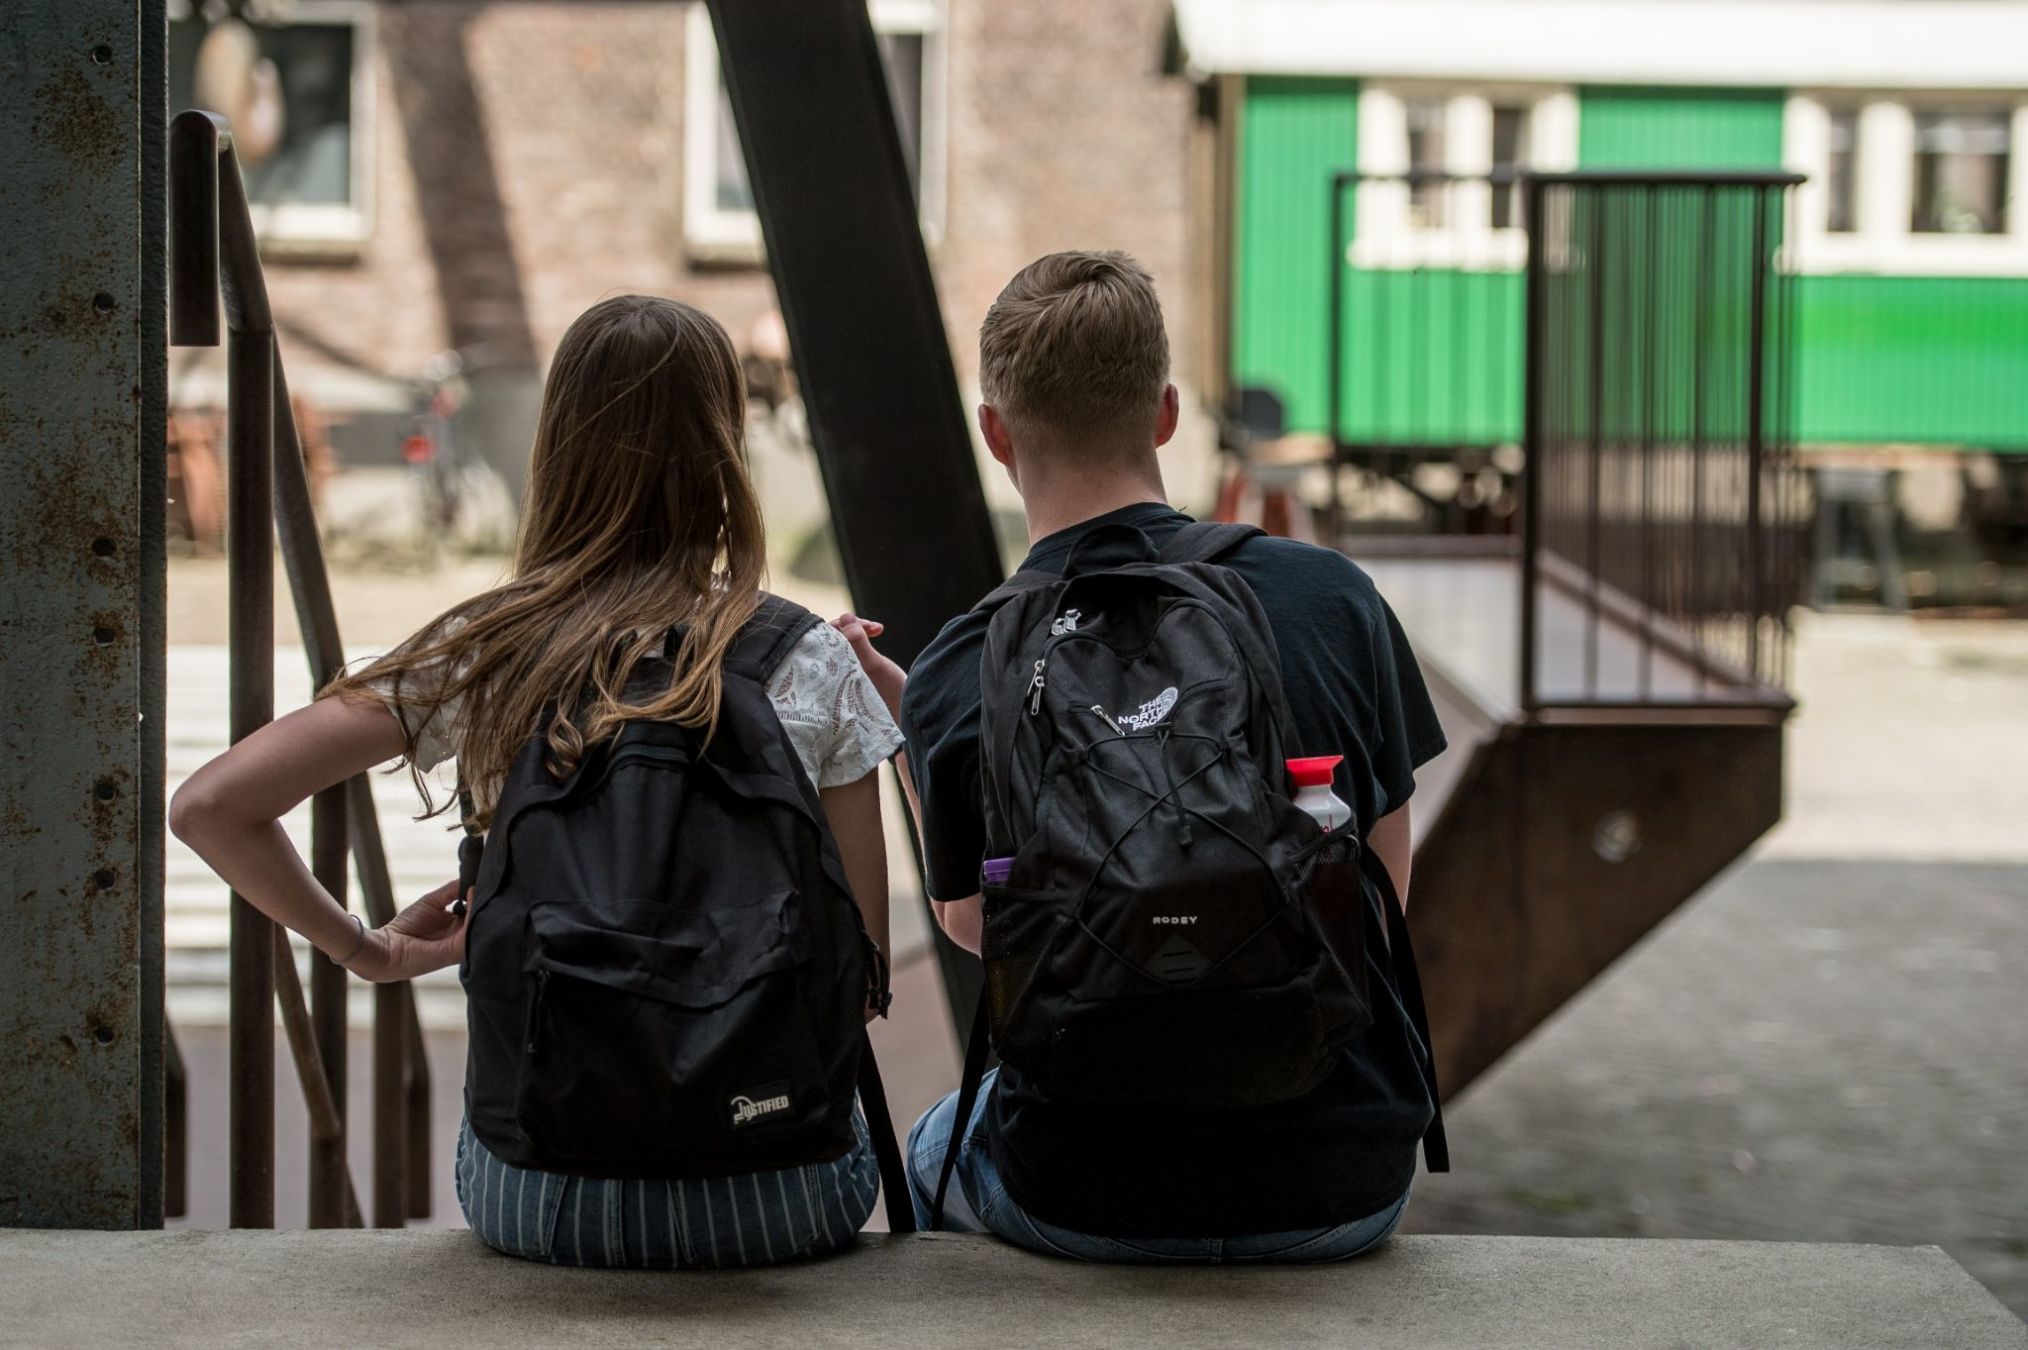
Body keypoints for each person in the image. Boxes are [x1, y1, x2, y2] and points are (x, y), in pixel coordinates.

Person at [171, 295, 905, 1267]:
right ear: (725, 447)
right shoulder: (807, 657)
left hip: (545, 1197)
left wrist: (369, 950)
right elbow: (856, 985)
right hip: (779, 1192)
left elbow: (211, 806)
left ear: (558, 445)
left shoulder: (486, 651)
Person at [832, 250, 1447, 1263]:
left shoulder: (962, 666)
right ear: (1164, 413)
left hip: (1085, 1187)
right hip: (1336, 1179)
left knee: (941, 1138)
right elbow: (1377, 893)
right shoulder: (1335, 600)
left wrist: (921, 727)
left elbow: (989, 930)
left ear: (995, 434)